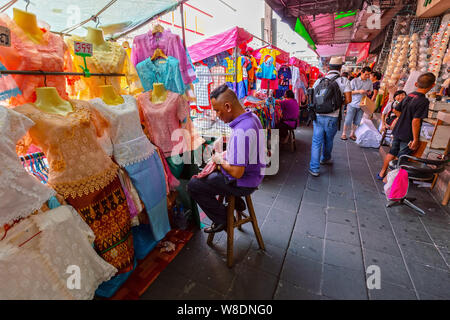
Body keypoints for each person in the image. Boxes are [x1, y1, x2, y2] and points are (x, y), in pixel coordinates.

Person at [187, 84, 265, 233]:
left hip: (245, 182)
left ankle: (223, 219)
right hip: (255, 175)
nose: (216, 115)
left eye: (217, 110)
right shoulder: (251, 117)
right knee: (209, 177)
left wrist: (219, 160)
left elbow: (236, 173)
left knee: (194, 186)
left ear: (228, 107)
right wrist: (225, 139)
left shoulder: (241, 131)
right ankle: (237, 202)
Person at [377, 73, 436, 180]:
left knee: (392, 152)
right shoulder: (423, 101)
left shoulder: (409, 95)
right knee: (401, 157)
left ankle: (382, 173)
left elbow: (396, 110)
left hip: (398, 129)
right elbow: (416, 121)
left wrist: (404, 118)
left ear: (416, 84)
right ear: (433, 85)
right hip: (407, 133)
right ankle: (388, 179)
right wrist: (415, 139)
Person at [309, 56, 352, 177]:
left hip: (318, 115)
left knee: (316, 141)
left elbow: (312, 97)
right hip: (332, 116)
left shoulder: (319, 80)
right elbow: (348, 99)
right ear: (340, 67)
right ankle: (325, 158)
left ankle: (314, 168)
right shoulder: (344, 81)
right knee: (329, 139)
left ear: (329, 68)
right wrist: (337, 105)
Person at [341, 66, 373, 141]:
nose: (368, 76)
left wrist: (368, 92)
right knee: (348, 120)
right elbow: (349, 92)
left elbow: (370, 91)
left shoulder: (370, 82)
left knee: (357, 121)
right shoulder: (354, 81)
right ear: (361, 73)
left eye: (369, 74)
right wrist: (359, 91)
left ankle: (352, 134)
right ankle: (344, 133)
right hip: (353, 103)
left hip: (362, 105)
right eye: (366, 74)